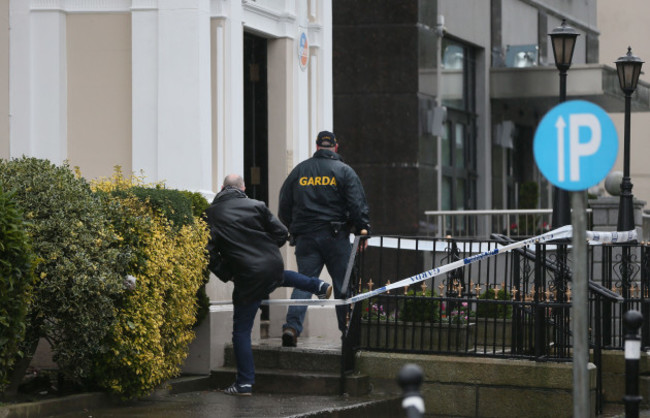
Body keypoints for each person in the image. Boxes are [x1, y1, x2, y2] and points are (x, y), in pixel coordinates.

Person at [205, 174, 332, 396]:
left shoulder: (211, 214)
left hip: (246, 275)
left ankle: (244, 383)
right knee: (282, 276)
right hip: (271, 264)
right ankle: (319, 286)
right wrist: (265, 249)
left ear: (222, 188)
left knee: (241, 332)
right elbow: (282, 233)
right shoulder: (257, 205)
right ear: (243, 187)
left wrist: (228, 273)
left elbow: (208, 252)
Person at [279, 130, 370, 347]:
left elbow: (284, 206)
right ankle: (347, 332)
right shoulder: (344, 171)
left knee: (305, 283)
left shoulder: (299, 171)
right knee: (343, 286)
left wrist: (295, 228)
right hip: (336, 238)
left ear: (317, 147)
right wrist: (362, 230)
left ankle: (292, 327)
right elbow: (357, 205)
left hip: (306, 238)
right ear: (335, 147)